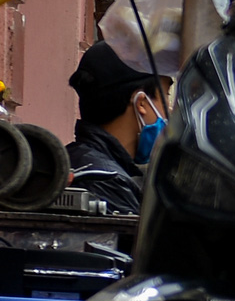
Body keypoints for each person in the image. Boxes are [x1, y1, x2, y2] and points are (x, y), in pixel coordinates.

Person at [66, 41, 168, 215]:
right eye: (166, 96)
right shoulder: (107, 182)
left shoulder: (76, 160)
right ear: (141, 103)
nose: (169, 112)